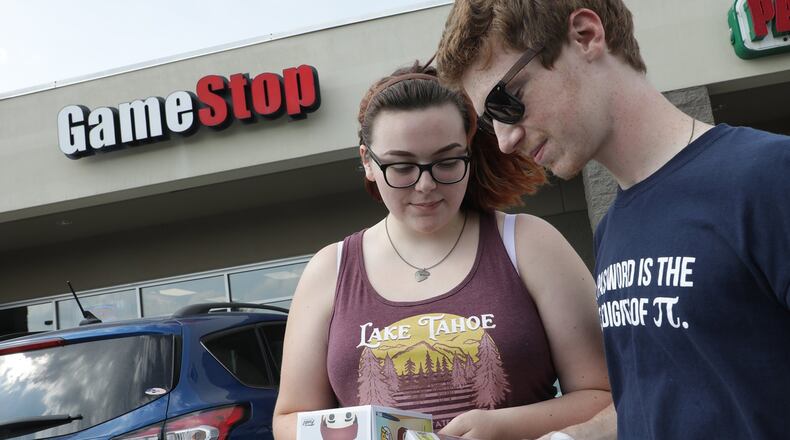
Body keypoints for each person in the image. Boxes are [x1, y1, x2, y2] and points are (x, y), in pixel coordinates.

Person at [435, 1, 790, 439]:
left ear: (585, 35)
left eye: (507, 103)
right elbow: (652, 405)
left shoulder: (769, 179)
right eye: (491, 123)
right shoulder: (613, 230)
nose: (505, 141)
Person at [272, 62, 611, 440]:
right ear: (368, 162)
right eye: (401, 166)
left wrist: (501, 426)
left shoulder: (530, 244)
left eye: (447, 162)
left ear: (469, 151)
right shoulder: (330, 270)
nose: (426, 185)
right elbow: (289, 420)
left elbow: (604, 397)